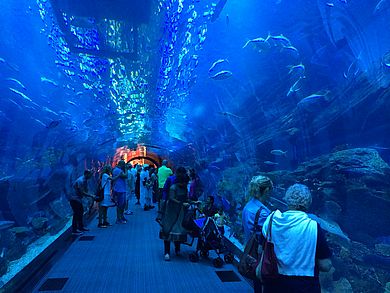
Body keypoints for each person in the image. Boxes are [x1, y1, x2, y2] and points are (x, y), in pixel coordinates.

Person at [261, 184, 332, 293]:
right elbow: (325, 265)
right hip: (304, 286)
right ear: (308, 203)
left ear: (286, 199)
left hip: (273, 283)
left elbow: (261, 250)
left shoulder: (271, 220)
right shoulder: (313, 226)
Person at [242, 175, 273, 293]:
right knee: (261, 283)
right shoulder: (263, 212)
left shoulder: (248, 205)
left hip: (250, 248)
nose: (270, 194)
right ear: (266, 190)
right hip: (260, 253)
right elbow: (264, 236)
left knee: (257, 282)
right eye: (270, 190)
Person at [159, 166, 189, 261]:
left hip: (180, 211)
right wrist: (181, 203)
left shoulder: (184, 187)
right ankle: (167, 252)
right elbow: (170, 197)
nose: (185, 184)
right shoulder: (173, 186)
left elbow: (185, 197)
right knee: (168, 229)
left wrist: (191, 202)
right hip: (170, 211)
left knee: (179, 229)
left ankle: (177, 249)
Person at [70, 169, 96, 235]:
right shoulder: (80, 181)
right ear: (86, 174)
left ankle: (81, 227)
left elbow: (85, 190)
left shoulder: (85, 180)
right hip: (74, 199)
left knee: (80, 212)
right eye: (90, 175)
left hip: (78, 199)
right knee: (76, 214)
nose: (91, 176)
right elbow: (82, 192)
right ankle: (74, 230)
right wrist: (91, 195)